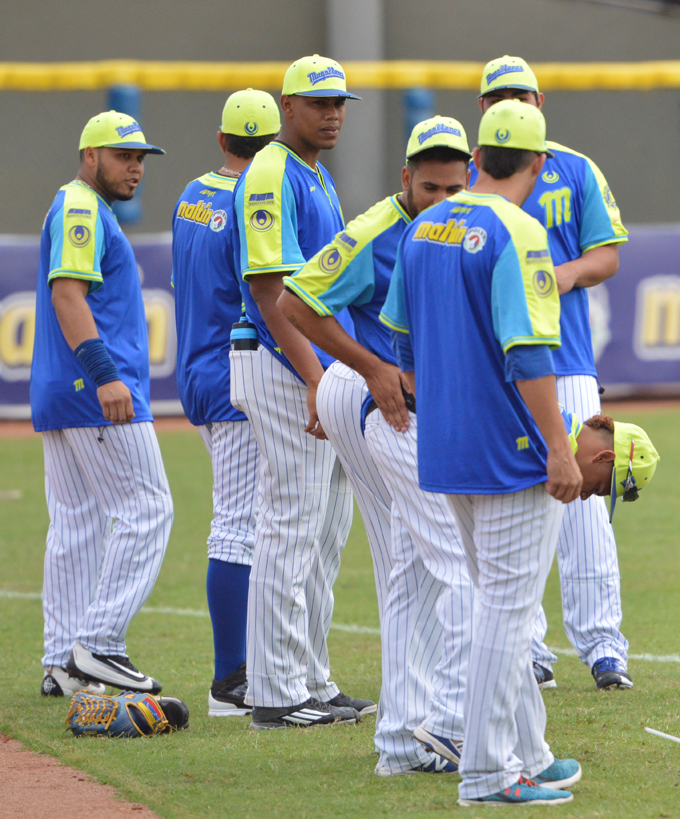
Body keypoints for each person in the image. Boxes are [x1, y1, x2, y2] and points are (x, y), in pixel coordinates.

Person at [380, 100, 581, 805]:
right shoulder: (520, 230)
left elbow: (399, 340)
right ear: (538, 164)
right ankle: (489, 773)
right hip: (507, 445)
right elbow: (529, 351)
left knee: (502, 603)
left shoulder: (425, 223)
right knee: (508, 608)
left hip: (445, 441)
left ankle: (532, 750)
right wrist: (559, 447)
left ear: (475, 162)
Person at [278, 116, 474, 774]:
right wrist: (368, 366)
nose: (441, 199)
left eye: (453, 185)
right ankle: (447, 722)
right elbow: (295, 301)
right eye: (429, 186)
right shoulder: (376, 228)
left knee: (407, 566)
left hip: (413, 408)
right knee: (445, 563)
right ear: (405, 179)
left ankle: (400, 736)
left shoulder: (468, 224)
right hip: (385, 407)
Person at [473, 55, 631, 690]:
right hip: (494, 366)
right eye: (499, 95)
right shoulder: (466, 170)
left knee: (585, 512)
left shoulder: (573, 167)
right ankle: (530, 650)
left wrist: (563, 274)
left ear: (540, 100)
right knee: (513, 504)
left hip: (563, 358)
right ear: (482, 108)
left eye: (522, 94)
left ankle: (602, 647)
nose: (512, 103)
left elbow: (608, 255)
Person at [230, 55, 374, 729]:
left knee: (324, 532)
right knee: (290, 524)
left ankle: (310, 678)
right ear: (287, 107)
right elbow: (269, 291)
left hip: (317, 367)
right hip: (284, 363)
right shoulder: (270, 172)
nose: (333, 112)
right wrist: (317, 378)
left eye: (340, 101)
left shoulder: (312, 173)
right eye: (319, 103)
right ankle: (275, 691)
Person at [31, 111, 173, 697]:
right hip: (97, 393)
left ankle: (62, 660)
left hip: (60, 394)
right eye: (123, 156)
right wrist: (106, 376)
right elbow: (68, 295)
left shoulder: (79, 206)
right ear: (90, 155)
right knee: (148, 510)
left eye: (140, 157)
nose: (135, 167)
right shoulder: (84, 208)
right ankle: (101, 644)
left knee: (76, 524)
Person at [171, 89, 280, 717]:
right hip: (235, 371)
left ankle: (246, 670)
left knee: (245, 520)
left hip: (197, 364)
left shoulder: (193, 191)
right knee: (241, 522)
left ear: (221, 140)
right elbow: (263, 293)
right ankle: (230, 681)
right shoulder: (252, 199)